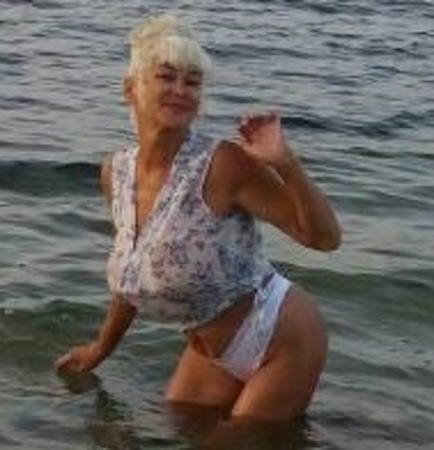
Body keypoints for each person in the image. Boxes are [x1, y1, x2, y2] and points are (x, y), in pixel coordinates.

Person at [55, 13, 341, 422]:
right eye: (166, 76)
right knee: (178, 427)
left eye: (192, 82)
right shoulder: (115, 171)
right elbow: (131, 276)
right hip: (210, 351)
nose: (180, 90)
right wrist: (101, 348)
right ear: (130, 89)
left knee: (238, 442)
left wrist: (285, 164)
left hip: (281, 336)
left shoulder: (223, 164)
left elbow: (324, 239)